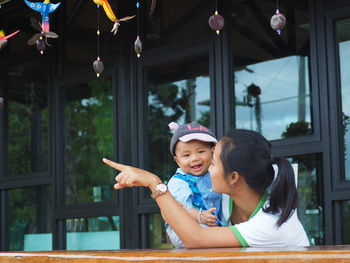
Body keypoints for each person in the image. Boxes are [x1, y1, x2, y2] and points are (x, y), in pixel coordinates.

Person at [103, 129, 310, 248]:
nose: (206, 169)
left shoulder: (271, 223)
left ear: (233, 177)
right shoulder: (227, 199)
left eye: (213, 163)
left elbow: (197, 239)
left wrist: (153, 183)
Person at [165, 121, 225, 248]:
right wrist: (199, 217)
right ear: (177, 161)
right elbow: (182, 209)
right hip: (186, 227)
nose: (194, 158)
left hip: (213, 225)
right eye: (186, 155)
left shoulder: (216, 173)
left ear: (213, 151)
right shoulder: (178, 182)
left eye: (201, 152)